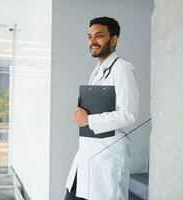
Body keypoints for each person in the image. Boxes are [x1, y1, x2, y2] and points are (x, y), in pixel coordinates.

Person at [65, 17, 139, 200]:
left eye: (99, 36)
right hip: (87, 157)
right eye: (89, 37)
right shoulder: (98, 70)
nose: (92, 41)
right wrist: (80, 110)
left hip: (106, 160)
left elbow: (129, 114)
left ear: (113, 40)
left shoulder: (122, 68)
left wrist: (88, 120)